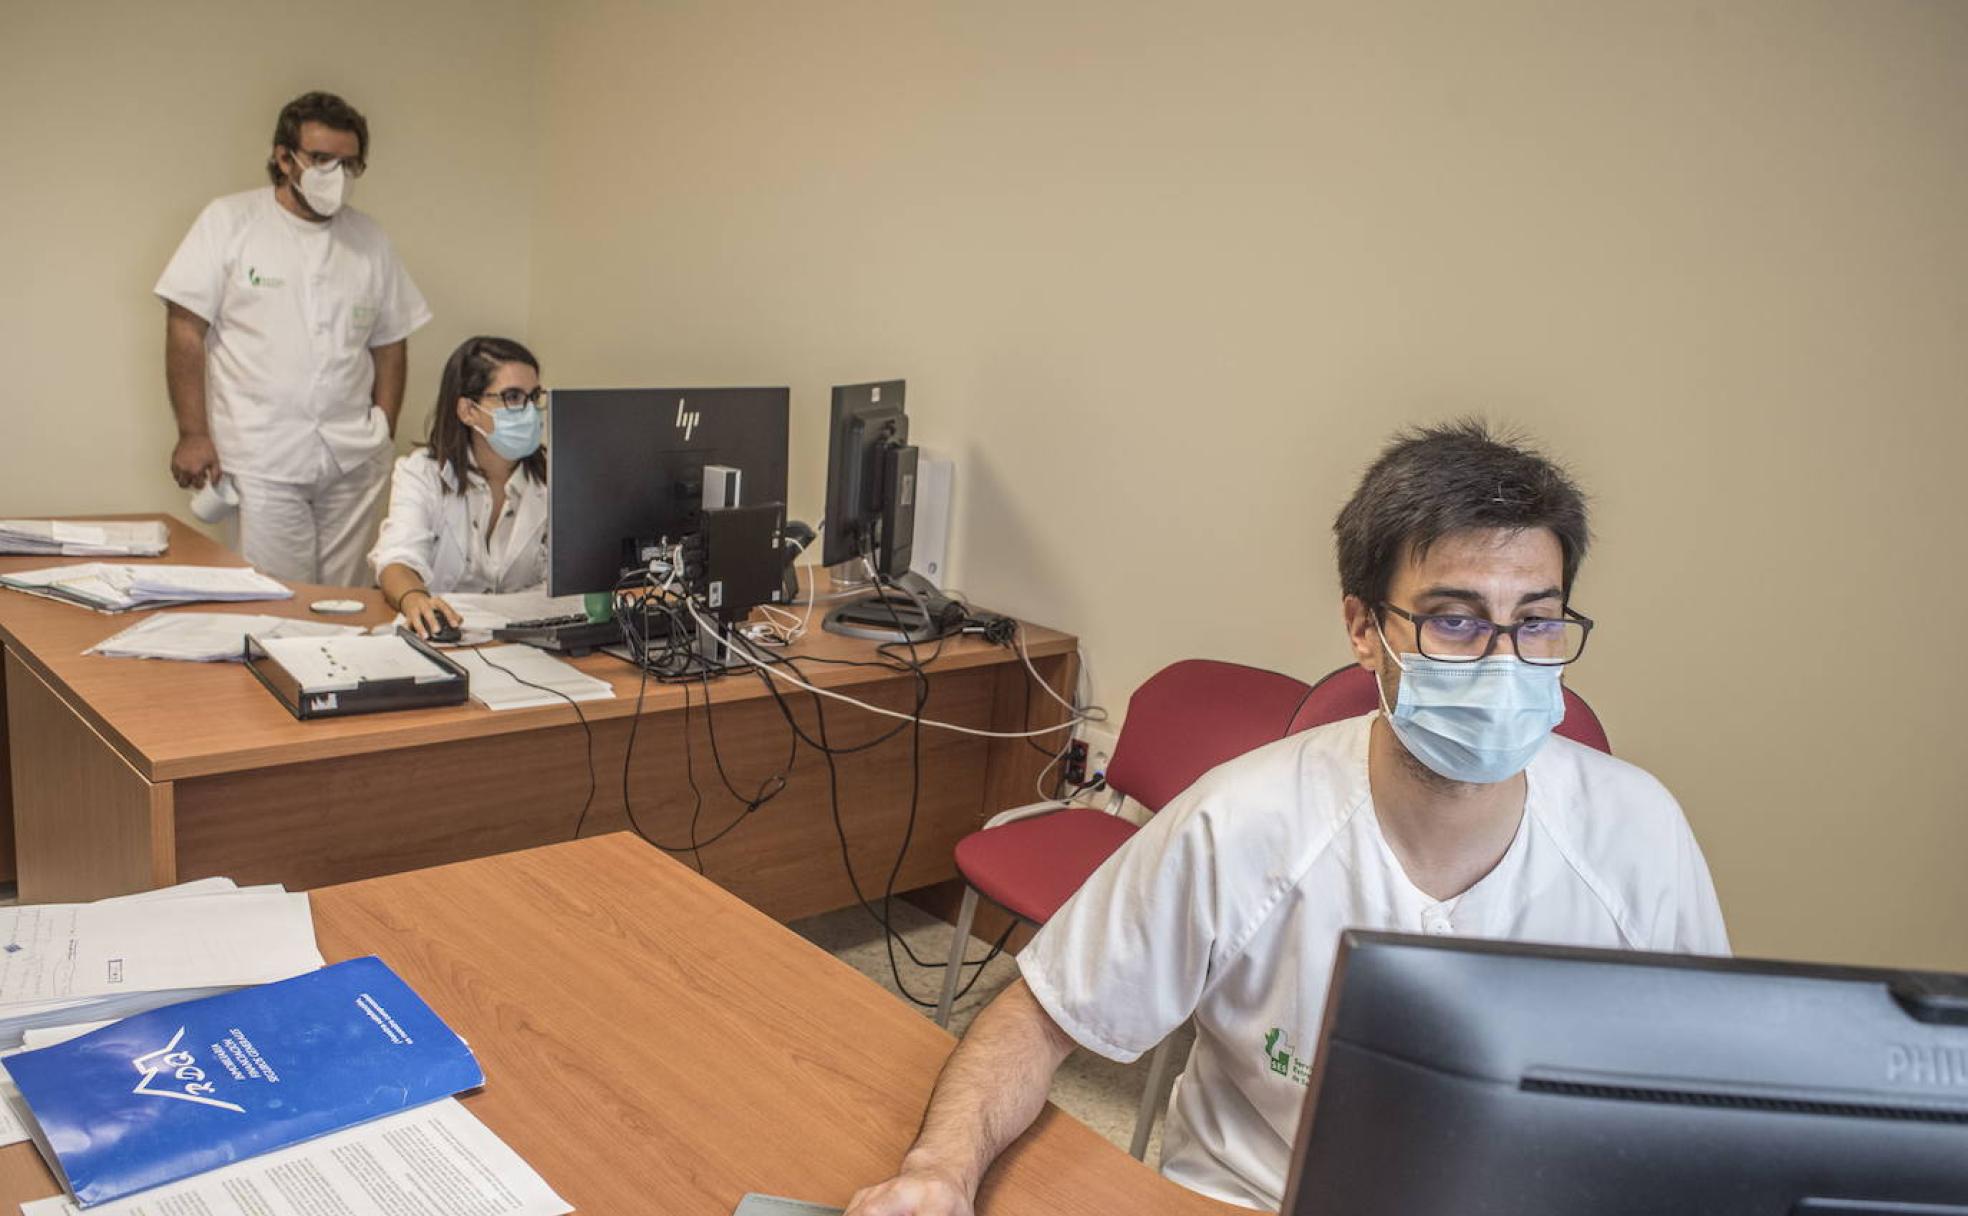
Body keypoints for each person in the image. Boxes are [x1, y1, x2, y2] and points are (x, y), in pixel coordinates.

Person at [845, 421, 1730, 1215]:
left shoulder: (1639, 834)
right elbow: (1040, 1016)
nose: (1503, 662)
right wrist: (941, 1171)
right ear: (1362, 626)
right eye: (1455, 621)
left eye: (1535, 623)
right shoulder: (1243, 820)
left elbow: (1705, 1100)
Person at [156, 90, 431, 585]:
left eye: (350, 164)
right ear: (284, 158)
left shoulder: (370, 240)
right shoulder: (230, 221)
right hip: (263, 451)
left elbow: (391, 342)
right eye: (323, 160)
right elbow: (185, 328)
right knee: (274, 599)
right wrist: (193, 433)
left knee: (347, 601)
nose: (337, 176)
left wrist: (383, 428)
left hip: (353, 453)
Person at [369, 336, 548, 638]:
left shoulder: (553, 477)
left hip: (531, 639)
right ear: (468, 410)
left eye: (534, 397)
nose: (529, 411)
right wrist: (415, 599)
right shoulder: (422, 473)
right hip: (448, 636)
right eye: (513, 397)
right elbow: (397, 559)